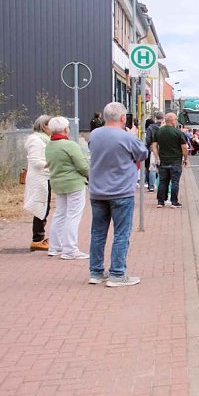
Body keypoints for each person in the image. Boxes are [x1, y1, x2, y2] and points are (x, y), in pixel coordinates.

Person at [87, 102, 148, 286]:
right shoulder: (125, 137)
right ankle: (117, 274)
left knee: (98, 233)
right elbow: (143, 154)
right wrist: (133, 136)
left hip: (97, 192)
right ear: (123, 118)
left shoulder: (94, 135)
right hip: (121, 192)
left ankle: (96, 272)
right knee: (121, 234)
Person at [44, 116, 89, 260]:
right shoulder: (70, 145)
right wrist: (90, 175)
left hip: (57, 183)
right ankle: (69, 249)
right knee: (73, 215)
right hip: (74, 183)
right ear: (65, 129)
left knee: (60, 214)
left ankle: (55, 246)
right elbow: (82, 166)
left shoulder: (49, 145)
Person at [22, 115, 52, 252]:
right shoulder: (36, 140)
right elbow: (35, 160)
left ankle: (39, 237)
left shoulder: (44, 139)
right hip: (39, 178)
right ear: (45, 126)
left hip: (45, 177)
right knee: (40, 207)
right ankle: (37, 239)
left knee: (44, 207)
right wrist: (52, 165)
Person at [152, 112, 189, 209]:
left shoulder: (159, 132)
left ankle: (160, 201)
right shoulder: (178, 133)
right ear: (172, 120)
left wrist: (157, 158)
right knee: (175, 181)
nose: (176, 121)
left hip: (163, 161)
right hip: (175, 161)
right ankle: (174, 202)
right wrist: (185, 159)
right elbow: (184, 148)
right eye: (175, 119)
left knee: (163, 181)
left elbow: (154, 146)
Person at [144, 111, 164, 192]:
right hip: (163, 149)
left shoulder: (150, 127)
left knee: (152, 167)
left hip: (152, 149)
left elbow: (148, 139)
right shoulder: (164, 127)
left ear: (156, 117)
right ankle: (162, 185)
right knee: (162, 168)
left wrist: (150, 145)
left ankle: (151, 186)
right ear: (162, 118)